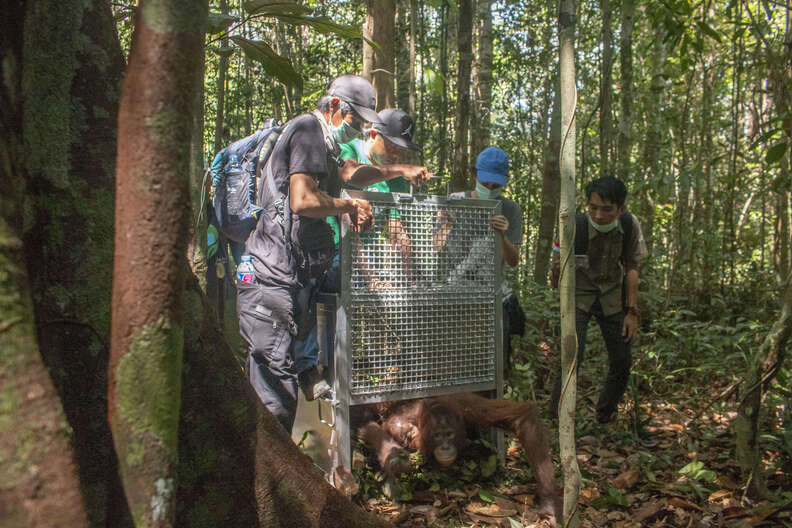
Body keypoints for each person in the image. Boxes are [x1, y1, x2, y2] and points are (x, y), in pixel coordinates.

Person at [237, 74, 432, 433]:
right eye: (357, 122)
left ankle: (313, 374)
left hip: (294, 279)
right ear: (336, 108)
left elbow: (352, 175)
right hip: (271, 278)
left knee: (283, 379)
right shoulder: (309, 131)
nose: (358, 132)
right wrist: (347, 207)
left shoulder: (325, 146)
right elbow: (303, 199)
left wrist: (397, 171)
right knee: (274, 393)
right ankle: (273, 477)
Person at [550, 175, 648, 424]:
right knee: (572, 356)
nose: (598, 215)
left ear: (620, 209)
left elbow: (632, 268)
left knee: (622, 359)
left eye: (607, 210)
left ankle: (605, 415)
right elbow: (556, 275)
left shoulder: (629, 225)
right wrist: (557, 268)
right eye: (593, 208)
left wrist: (632, 311)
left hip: (612, 296)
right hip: (578, 296)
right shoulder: (574, 225)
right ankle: (557, 418)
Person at [434, 147, 524, 368]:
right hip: (455, 294)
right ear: (475, 175)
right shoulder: (454, 201)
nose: (490, 188)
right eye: (485, 183)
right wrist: (446, 224)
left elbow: (513, 261)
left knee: (493, 363)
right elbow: (434, 248)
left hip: (492, 296)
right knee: (451, 360)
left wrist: (503, 237)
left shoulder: (510, 209)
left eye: (496, 185)